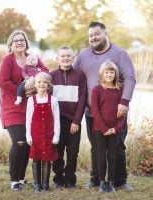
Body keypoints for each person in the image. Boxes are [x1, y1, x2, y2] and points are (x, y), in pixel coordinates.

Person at [73, 22, 136, 192]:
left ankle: (119, 181)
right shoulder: (83, 55)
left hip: (116, 111)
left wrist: (124, 102)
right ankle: (96, 179)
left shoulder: (120, 54)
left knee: (118, 146)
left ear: (105, 33)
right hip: (91, 112)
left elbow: (130, 78)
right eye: (90, 35)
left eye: (96, 34)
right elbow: (72, 75)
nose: (93, 38)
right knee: (96, 147)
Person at [0, 29, 47, 191]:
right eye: (16, 40)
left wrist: (37, 82)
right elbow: (3, 82)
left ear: (26, 43)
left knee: (27, 143)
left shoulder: (32, 58)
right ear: (11, 44)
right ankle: (13, 179)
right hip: (12, 106)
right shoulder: (8, 60)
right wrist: (22, 91)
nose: (19, 42)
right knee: (18, 141)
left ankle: (20, 177)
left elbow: (46, 72)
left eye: (22, 40)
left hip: (31, 107)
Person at [50, 46, 87, 188]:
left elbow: (82, 100)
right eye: (62, 56)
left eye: (68, 56)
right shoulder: (52, 76)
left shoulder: (79, 75)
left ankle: (70, 179)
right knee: (57, 152)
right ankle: (58, 179)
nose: (65, 58)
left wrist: (76, 120)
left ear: (73, 58)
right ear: (57, 58)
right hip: (57, 122)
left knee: (72, 153)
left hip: (73, 122)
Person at [91, 60, 124, 193]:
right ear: (102, 74)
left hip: (115, 129)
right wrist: (104, 128)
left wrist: (115, 128)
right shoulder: (97, 89)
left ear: (115, 74)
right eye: (107, 72)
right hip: (100, 129)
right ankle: (101, 182)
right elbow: (95, 110)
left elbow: (122, 113)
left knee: (112, 156)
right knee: (101, 156)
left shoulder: (119, 90)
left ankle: (111, 182)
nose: (109, 75)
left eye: (111, 72)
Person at [26, 72, 60, 192]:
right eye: (39, 82)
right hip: (35, 135)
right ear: (35, 84)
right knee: (36, 159)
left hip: (49, 135)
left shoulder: (53, 100)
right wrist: (28, 135)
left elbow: (57, 119)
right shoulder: (31, 100)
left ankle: (45, 184)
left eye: (44, 82)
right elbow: (28, 119)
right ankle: (37, 184)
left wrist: (56, 136)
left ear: (49, 85)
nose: (41, 84)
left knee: (47, 158)